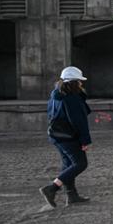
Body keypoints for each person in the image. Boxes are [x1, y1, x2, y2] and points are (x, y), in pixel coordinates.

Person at [40, 66, 92, 208]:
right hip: (69, 136)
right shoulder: (72, 98)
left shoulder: (56, 94)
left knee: (68, 164)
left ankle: (71, 195)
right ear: (74, 82)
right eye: (79, 81)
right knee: (80, 164)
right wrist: (85, 140)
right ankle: (52, 188)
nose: (81, 83)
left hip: (57, 135)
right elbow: (79, 121)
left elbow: (50, 113)